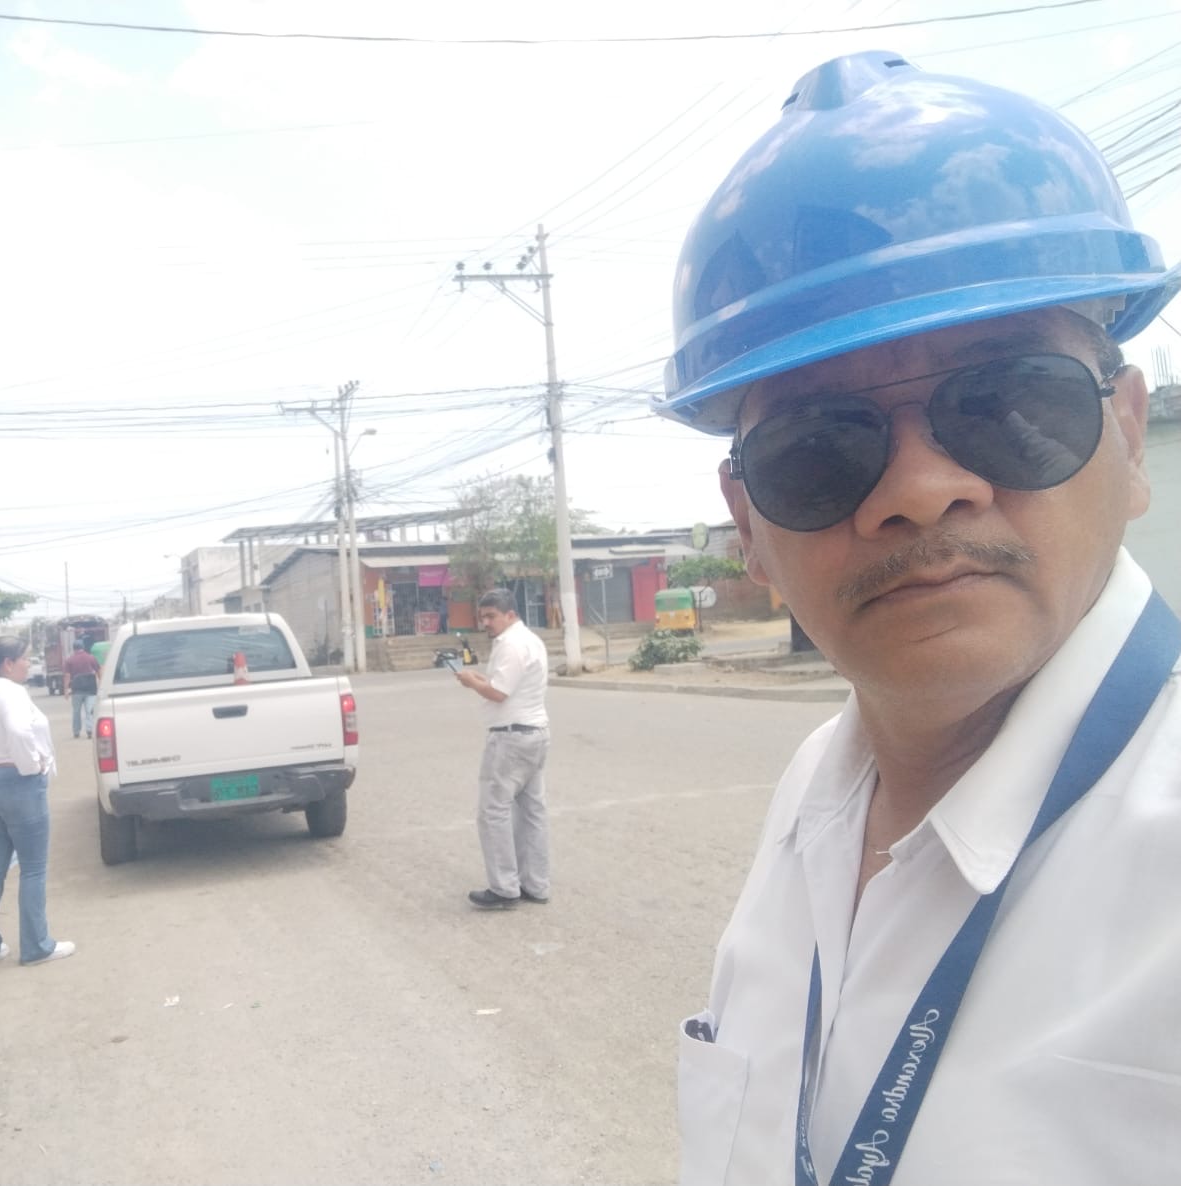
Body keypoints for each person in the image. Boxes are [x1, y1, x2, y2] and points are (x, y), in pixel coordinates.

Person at [659, 53, 1180, 1184]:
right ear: (746, 525)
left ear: (1128, 436)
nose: (919, 489)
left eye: (1005, 399)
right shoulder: (813, 792)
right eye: (818, 446)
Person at [0, 634, 75, 968]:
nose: (29, 664)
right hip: (17, 783)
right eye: (25, 658)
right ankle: (36, 946)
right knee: (33, 869)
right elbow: (19, 731)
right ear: (8, 663)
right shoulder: (11, 692)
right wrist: (33, 766)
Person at [454, 588, 552, 909]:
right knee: (532, 811)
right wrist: (479, 678)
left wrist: (471, 682)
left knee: (493, 812)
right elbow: (505, 684)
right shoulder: (531, 640)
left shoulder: (511, 644)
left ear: (510, 614)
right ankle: (535, 884)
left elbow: (498, 693)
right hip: (535, 733)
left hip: (511, 738)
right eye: (482, 617)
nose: (486, 622)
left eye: (491, 616)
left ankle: (504, 888)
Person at [62, 638, 101, 739]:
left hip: (76, 690)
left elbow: (67, 676)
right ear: (83, 647)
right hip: (91, 689)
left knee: (76, 711)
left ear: (74, 649)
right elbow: (98, 670)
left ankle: (76, 732)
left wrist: (66, 690)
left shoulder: (69, 660)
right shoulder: (91, 658)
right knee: (89, 710)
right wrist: (101, 683)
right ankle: (90, 730)